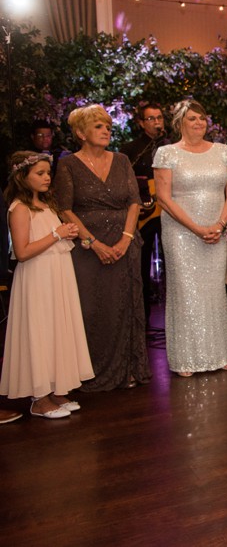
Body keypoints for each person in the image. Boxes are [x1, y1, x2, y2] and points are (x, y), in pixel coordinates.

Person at [53, 104, 150, 390]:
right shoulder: (68, 164)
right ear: (81, 132)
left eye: (108, 126)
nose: (106, 130)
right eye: (98, 126)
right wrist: (93, 244)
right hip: (87, 249)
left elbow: (134, 201)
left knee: (127, 305)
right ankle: (90, 373)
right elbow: (64, 209)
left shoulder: (121, 160)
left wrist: (125, 239)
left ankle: (129, 369)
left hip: (125, 244)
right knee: (92, 309)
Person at [0, 152, 92, 419]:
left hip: (55, 276)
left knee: (56, 330)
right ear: (22, 177)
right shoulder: (19, 208)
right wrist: (56, 234)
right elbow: (23, 251)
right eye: (39, 173)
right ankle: (39, 399)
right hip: (36, 279)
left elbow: (51, 241)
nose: (46, 177)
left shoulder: (47, 205)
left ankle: (55, 389)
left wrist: (66, 233)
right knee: (39, 333)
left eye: (47, 172)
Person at [152, 100, 227, 377]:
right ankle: (187, 357)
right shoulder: (167, 153)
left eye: (202, 119)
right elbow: (163, 198)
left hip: (216, 229)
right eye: (192, 119)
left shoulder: (222, 151)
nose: (199, 123)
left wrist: (219, 224)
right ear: (180, 123)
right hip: (181, 233)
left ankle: (220, 351)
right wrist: (196, 228)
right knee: (186, 291)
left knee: (214, 289)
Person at [120, 101, 170, 327]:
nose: (157, 122)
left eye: (159, 117)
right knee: (142, 262)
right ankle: (143, 318)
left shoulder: (171, 146)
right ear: (141, 123)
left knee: (173, 263)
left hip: (170, 211)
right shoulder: (130, 149)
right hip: (144, 213)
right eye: (151, 119)